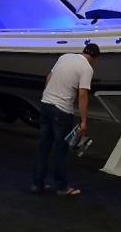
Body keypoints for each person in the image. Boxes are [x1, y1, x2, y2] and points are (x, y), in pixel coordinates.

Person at [31, 43, 100, 196]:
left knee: (43, 147)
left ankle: (37, 183)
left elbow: (49, 77)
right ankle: (62, 187)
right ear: (95, 58)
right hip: (62, 111)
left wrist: (48, 96)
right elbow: (83, 94)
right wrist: (84, 121)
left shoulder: (65, 57)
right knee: (60, 150)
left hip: (46, 104)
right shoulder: (87, 68)